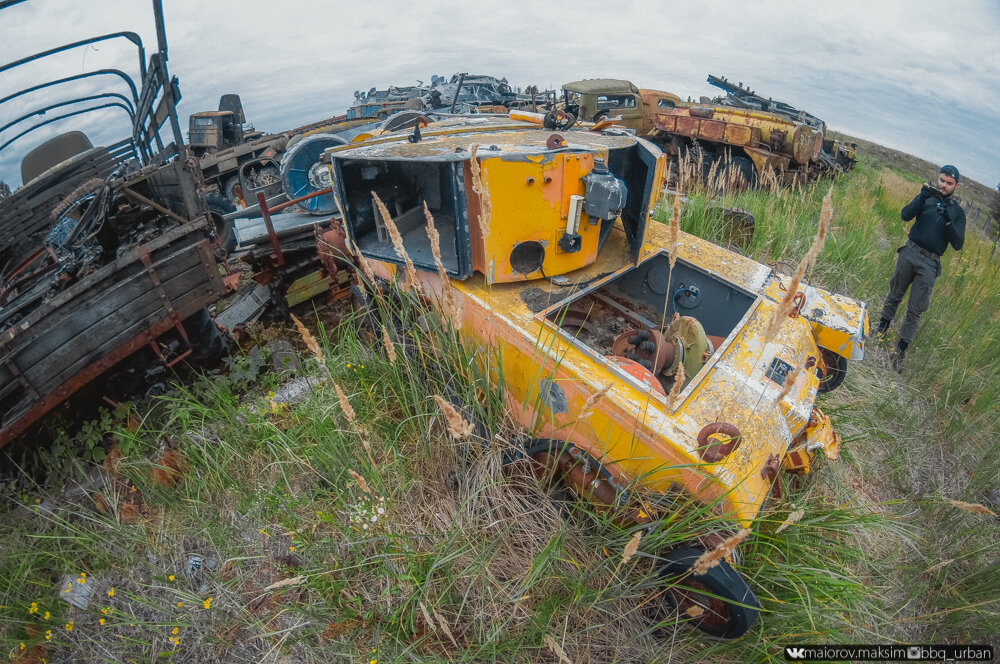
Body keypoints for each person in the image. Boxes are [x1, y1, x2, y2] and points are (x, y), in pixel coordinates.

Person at [876, 165, 965, 370]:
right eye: (942, 180)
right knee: (894, 293)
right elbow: (905, 215)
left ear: (956, 186)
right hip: (910, 251)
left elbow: (958, 244)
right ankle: (881, 330)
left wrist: (948, 220)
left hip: (930, 263)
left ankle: (900, 351)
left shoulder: (958, 212)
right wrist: (921, 197)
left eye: (949, 183)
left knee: (915, 310)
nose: (943, 185)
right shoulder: (928, 198)